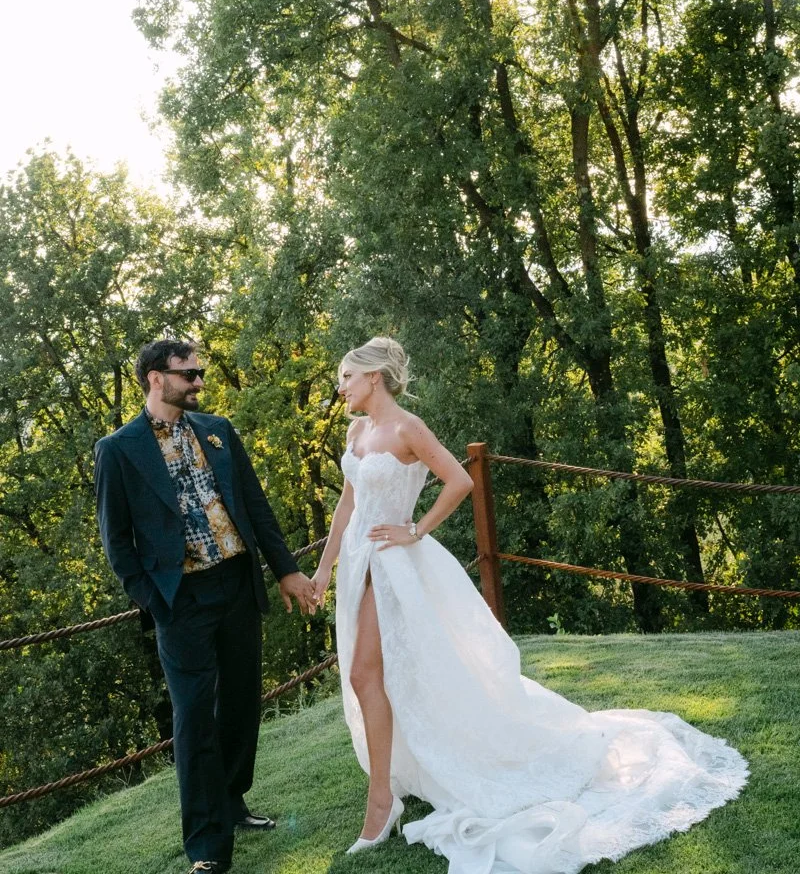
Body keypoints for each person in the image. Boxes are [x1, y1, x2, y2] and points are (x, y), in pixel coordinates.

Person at [310, 336, 748, 874]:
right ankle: (391, 789)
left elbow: (460, 479)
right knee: (377, 677)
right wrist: (325, 567)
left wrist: (415, 529)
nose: (342, 388)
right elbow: (347, 505)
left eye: (347, 378)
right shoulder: (357, 431)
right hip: (358, 563)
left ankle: (381, 803)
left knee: (364, 675)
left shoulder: (408, 428)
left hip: (394, 565)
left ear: (373, 377)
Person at [94, 339, 317, 874]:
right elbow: (116, 543)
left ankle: (232, 801)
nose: (198, 382)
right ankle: (207, 848)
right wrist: (156, 602)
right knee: (194, 717)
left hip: (237, 582)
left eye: (198, 373)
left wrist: (286, 569)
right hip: (182, 600)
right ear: (155, 378)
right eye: (187, 373)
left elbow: (254, 504)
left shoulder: (218, 430)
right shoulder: (119, 449)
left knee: (240, 702)